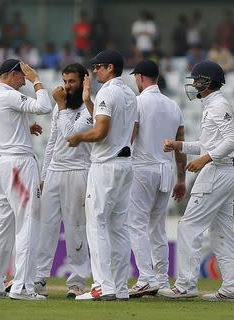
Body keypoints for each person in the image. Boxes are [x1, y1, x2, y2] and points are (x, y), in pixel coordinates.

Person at [160, 60, 234, 302]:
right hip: (224, 171)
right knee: (222, 232)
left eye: (197, 80)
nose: (193, 84)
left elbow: (232, 141)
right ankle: (231, 289)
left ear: (207, 82)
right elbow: (208, 144)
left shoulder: (218, 105)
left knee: (188, 227)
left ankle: (185, 285)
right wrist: (180, 145)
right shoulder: (212, 105)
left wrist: (205, 160)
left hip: (218, 171)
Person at [67, 49, 137, 301]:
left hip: (105, 165)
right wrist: (87, 100)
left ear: (110, 67)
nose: (94, 71)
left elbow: (100, 132)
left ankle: (101, 286)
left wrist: (78, 137)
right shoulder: (129, 93)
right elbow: (115, 124)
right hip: (124, 164)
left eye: (98, 67)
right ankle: (118, 287)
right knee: (118, 228)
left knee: (96, 225)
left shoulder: (108, 91)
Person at [0, 59, 53, 300]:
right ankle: (22, 287)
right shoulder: (8, 95)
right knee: (28, 223)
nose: (23, 82)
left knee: (0, 227)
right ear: (11, 75)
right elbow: (45, 107)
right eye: (21, 76)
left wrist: (20, 129)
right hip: (17, 166)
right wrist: (36, 79)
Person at [127, 60, 186, 298]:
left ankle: (146, 278)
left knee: (136, 224)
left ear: (141, 77)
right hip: (166, 170)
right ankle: (161, 280)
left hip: (142, 168)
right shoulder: (173, 106)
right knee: (157, 228)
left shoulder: (137, 102)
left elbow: (130, 137)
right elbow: (180, 144)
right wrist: (181, 178)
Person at [34, 63, 92, 299]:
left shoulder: (91, 108)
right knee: (44, 227)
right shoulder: (63, 108)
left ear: (83, 81)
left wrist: (60, 105)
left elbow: (71, 137)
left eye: (72, 82)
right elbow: (53, 142)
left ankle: (77, 281)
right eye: (65, 81)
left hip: (78, 171)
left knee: (75, 228)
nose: (67, 87)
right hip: (55, 172)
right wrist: (45, 175)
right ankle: (38, 278)